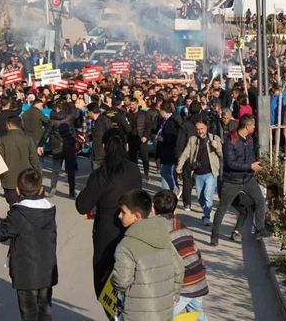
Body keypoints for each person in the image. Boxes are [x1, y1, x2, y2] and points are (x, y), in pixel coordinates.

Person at [75, 128, 142, 298]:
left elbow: (82, 205)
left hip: (106, 232)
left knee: (105, 282)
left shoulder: (101, 174)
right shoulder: (134, 169)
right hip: (132, 230)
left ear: (105, 146)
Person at [0, 169, 58, 321]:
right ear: (41, 189)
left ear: (18, 190)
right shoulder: (49, 210)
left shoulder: (18, 213)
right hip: (46, 271)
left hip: (26, 274)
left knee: (29, 314)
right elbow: (19, 226)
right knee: (45, 311)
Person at [111, 189, 184, 321]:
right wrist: (174, 296)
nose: (119, 216)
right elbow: (179, 269)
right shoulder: (163, 236)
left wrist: (113, 281)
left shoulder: (126, 246)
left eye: (123, 212)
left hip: (137, 313)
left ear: (137, 216)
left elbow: (122, 281)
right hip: (163, 312)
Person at [210, 115, 269, 245]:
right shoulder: (230, 140)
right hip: (231, 181)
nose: (254, 127)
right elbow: (230, 163)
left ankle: (260, 229)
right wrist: (250, 166)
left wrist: (256, 165)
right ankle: (214, 234)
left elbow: (251, 156)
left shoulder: (249, 139)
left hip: (247, 178)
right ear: (247, 126)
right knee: (222, 208)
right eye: (253, 125)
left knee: (260, 200)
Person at [153, 190, 209, 321]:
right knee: (197, 314)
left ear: (153, 208)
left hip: (185, 285)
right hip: (199, 278)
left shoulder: (159, 230)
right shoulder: (180, 225)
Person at [176, 120, 222, 226]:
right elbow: (185, 153)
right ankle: (206, 210)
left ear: (206, 127)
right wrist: (180, 165)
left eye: (202, 128)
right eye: (197, 129)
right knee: (200, 197)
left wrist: (217, 147)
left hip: (210, 172)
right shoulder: (192, 140)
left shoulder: (214, 138)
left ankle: (206, 216)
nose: (200, 131)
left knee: (208, 195)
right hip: (197, 173)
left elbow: (222, 154)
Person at [0, 116, 41, 205]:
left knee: (13, 205)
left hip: (9, 181)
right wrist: (39, 177)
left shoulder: (2, 141)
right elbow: (34, 160)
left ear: (8, 125)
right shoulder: (28, 139)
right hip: (27, 180)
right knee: (27, 205)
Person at [39, 101, 77, 198]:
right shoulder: (70, 117)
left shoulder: (52, 120)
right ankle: (72, 191)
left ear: (56, 109)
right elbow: (74, 110)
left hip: (56, 145)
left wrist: (40, 145)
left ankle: (53, 187)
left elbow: (46, 134)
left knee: (55, 169)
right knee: (70, 170)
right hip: (69, 145)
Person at [156, 100, 179, 194]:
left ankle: (174, 189)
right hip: (164, 151)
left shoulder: (171, 121)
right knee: (166, 172)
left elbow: (173, 136)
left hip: (169, 151)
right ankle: (170, 190)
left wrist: (163, 139)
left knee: (166, 172)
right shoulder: (164, 120)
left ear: (163, 111)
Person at [127, 97, 151, 180]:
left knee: (145, 158)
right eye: (130, 105)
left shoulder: (144, 114)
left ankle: (146, 173)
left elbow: (148, 127)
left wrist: (145, 136)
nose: (131, 106)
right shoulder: (127, 115)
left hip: (141, 139)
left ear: (137, 105)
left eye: (133, 104)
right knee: (132, 159)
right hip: (131, 139)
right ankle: (134, 174)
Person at [86, 102, 111, 169]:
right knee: (96, 173)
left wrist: (106, 144)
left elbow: (110, 135)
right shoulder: (93, 121)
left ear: (91, 112)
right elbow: (94, 135)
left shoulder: (105, 120)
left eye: (87, 111)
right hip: (95, 152)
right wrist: (86, 139)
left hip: (103, 154)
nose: (87, 113)